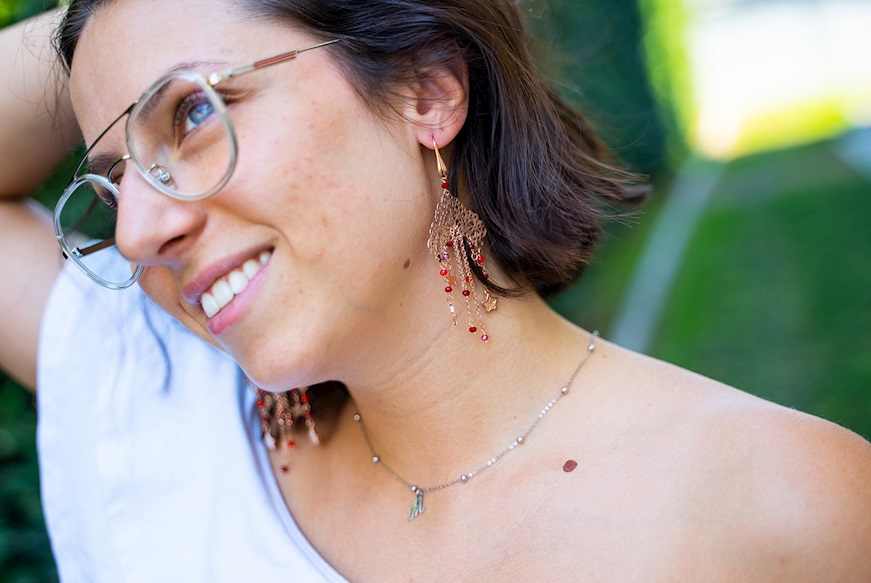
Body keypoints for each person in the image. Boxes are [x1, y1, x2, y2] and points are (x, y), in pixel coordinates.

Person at [1, 1, 870, 581]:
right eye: (116, 177)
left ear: (426, 88)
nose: (137, 231)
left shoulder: (783, 505)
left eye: (192, 112)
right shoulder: (161, 408)